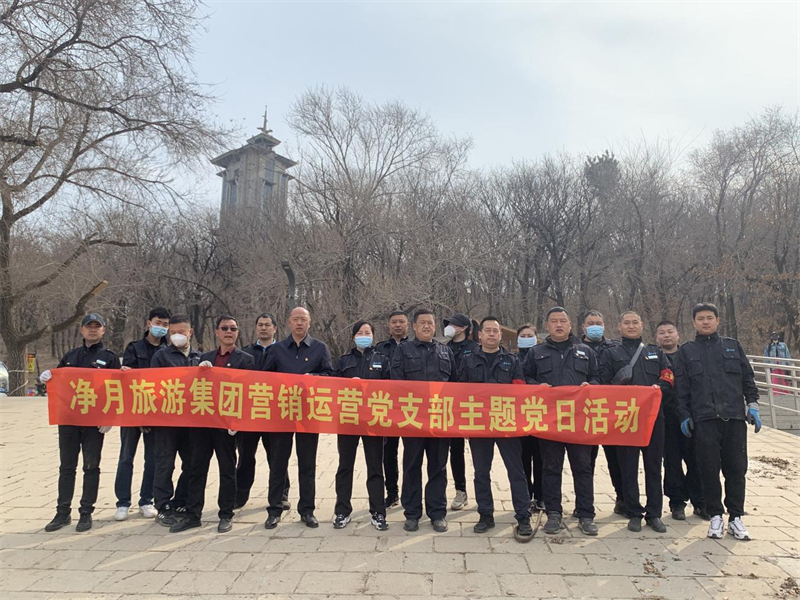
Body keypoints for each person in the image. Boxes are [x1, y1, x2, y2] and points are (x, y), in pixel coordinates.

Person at [675, 302, 761, 541]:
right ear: (694, 323)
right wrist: (684, 415)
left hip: (734, 418)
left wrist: (753, 405)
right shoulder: (687, 351)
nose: (705, 322)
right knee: (708, 469)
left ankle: (736, 517)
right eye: (700, 318)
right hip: (704, 420)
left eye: (709, 318)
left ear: (717, 320)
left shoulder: (732, 346)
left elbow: (748, 379)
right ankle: (715, 515)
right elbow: (681, 388)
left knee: (736, 469)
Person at [170, 315, 254, 533]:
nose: (229, 332)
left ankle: (226, 514)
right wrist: (199, 371)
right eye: (224, 328)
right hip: (203, 424)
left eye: (233, 328)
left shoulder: (246, 360)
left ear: (237, 332)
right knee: (196, 469)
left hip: (227, 425)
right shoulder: (204, 358)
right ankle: (193, 515)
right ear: (216, 332)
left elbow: (248, 393)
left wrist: (239, 421)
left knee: (227, 470)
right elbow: (191, 388)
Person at [523, 307, 600, 536]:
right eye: (554, 321)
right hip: (550, 421)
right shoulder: (536, 352)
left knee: (583, 468)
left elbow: (596, 377)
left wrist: (591, 386)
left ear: (570, 325)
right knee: (551, 467)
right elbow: (526, 378)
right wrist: (536, 386)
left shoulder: (586, 351)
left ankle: (586, 514)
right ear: (547, 326)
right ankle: (554, 513)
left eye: (563, 321)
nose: (559, 325)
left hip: (579, 421)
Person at [42, 313, 118, 533]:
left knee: (91, 466)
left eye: (97, 326)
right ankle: (62, 512)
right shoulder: (70, 356)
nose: (93, 330)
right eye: (88, 326)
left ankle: (86, 512)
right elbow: (58, 383)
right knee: (67, 467)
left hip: (94, 422)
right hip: (69, 420)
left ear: (103, 330)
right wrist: (48, 377)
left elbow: (117, 390)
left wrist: (110, 418)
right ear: (82, 330)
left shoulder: (109, 358)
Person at [460, 317, 533, 542]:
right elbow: (458, 392)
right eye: (488, 331)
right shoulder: (467, 360)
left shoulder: (512, 360)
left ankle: (523, 516)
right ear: (480, 335)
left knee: (516, 471)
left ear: (501, 335)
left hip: (506, 422)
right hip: (479, 424)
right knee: (481, 472)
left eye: (496, 331)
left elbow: (520, 390)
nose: (492, 334)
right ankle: (485, 514)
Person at [599, 311, 673, 533]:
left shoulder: (654, 352)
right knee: (628, 467)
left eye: (635, 323)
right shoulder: (611, 353)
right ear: (619, 326)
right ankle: (633, 512)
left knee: (654, 467)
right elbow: (603, 383)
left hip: (653, 419)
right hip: (625, 420)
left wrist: (660, 387)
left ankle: (654, 514)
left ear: (642, 325)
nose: (631, 326)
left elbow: (668, 376)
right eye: (627, 323)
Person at [262, 307, 333, 530]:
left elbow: (330, 376)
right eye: (296, 319)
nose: (299, 323)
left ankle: (307, 510)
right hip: (282, 413)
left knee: (307, 464)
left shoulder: (320, 348)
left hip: (308, 414)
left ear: (309, 323)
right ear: (289, 323)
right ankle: (274, 510)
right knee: (277, 463)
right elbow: (265, 378)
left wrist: (313, 378)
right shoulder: (277, 349)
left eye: (303, 319)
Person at [391, 308, 455, 533]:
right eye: (422, 323)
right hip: (413, 420)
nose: (427, 326)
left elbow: (455, 385)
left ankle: (437, 513)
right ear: (415, 327)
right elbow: (396, 383)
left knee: (438, 467)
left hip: (439, 419)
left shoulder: (446, 351)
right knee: (412, 466)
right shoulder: (403, 350)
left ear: (435, 326)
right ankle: (412, 514)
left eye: (430, 323)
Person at [332, 321, 391, 531]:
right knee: (345, 466)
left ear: (373, 336)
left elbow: (391, 388)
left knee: (375, 467)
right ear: (353, 337)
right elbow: (332, 386)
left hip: (373, 419)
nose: (363, 335)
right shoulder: (344, 360)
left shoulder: (382, 360)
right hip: (348, 419)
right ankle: (342, 511)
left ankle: (378, 512)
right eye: (360, 332)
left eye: (367, 332)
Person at [114, 307, 170, 522]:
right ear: (149, 323)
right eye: (158, 323)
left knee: (153, 459)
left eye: (165, 324)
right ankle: (122, 502)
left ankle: (146, 500)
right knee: (126, 457)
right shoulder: (134, 347)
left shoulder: (168, 351)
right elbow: (127, 380)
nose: (161, 327)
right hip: (132, 411)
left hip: (156, 413)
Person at [149, 314, 201, 527]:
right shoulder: (161, 356)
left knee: (192, 463)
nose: (177, 336)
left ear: (190, 332)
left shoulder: (199, 357)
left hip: (192, 423)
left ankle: (180, 500)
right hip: (167, 422)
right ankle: (163, 506)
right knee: (164, 464)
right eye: (173, 333)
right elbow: (151, 386)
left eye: (181, 332)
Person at [236, 312, 290, 510]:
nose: (264, 328)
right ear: (256, 328)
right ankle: (239, 495)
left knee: (277, 457)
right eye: (260, 324)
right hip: (250, 414)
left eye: (268, 325)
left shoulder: (284, 351)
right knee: (245, 456)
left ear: (275, 328)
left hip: (275, 413)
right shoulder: (245, 352)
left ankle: (281, 495)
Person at [655, 320, 707, 521]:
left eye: (670, 331)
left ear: (678, 334)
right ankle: (677, 502)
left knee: (696, 460)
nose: (666, 335)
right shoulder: (653, 358)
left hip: (691, 415)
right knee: (671, 461)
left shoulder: (689, 355)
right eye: (662, 333)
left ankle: (700, 502)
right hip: (665, 417)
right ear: (657, 337)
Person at [581, 310, 624, 517]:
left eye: (598, 323)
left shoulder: (615, 348)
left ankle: (622, 498)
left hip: (611, 412)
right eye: (591, 323)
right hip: (584, 412)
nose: (595, 326)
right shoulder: (575, 348)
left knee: (615, 459)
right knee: (585, 462)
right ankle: (584, 503)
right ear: (583, 327)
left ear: (604, 325)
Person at [375, 310, 409, 509]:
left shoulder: (415, 346)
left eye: (401, 322)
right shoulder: (379, 349)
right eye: (394, 322)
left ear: (408, 325)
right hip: (387, 408)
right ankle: (392, 492)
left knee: (412, 453)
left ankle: (410, 494)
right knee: (388, 453)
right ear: (389, 325)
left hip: (410, 407)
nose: (397, 325)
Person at [444, 313, 477, 511]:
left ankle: (484, 492)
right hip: (450, 406)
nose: (449, 327)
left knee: (479, 451)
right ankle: (460, 490)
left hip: (472, 405)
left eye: (453, 324)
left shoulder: (475, 348)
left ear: (463, 327)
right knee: (455, 450)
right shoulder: (444, 348)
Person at [516, 324, 545, 513]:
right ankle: (525, 496)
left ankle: (541, 497)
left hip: (541, 414)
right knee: (523, 459)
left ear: (536, 338)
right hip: (519, 417)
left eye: (530, 335)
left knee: (541, 458)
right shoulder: (511, 359)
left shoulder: (543, 357)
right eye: (523, 335)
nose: (526, 338)